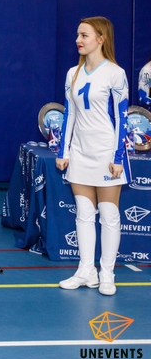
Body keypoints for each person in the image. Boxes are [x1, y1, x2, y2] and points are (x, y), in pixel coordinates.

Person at [56, 17, 129, 296]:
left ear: (101, 38)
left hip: (106, 152)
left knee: (109, 214)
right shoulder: (72, 73)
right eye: (77, 35)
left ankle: (107, 273)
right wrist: (64, 151)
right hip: (80, 152)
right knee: (84, 213)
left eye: (84, 35)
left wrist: (118, 156)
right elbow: (70, 114)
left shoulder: (115, 73)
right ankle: (86, 271)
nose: (78, 40)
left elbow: (122, 117)